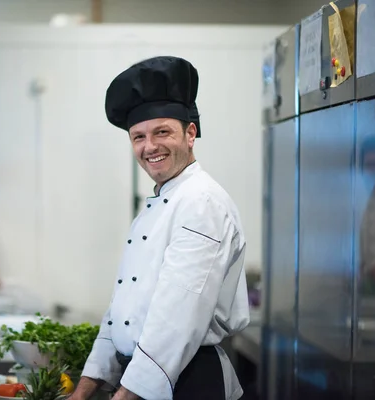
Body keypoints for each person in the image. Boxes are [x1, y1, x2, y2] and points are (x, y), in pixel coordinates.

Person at [71, 56, 250, 400]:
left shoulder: (202, 202)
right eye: (138, 136)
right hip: (143, 380)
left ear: (191, 133)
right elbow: (121, 312)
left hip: (189, 383)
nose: (149, 146)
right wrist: (83, 390)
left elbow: (176, 320)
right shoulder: (159, 202)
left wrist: (124, 396)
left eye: (162, 132)